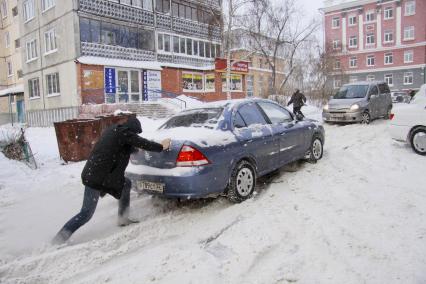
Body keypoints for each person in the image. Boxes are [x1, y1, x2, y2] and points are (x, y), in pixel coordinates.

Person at [52, 116, 171, 244]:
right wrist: (161, 147)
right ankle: (59, 239)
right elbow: (142, 142)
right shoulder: (124, 133)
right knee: (86, 214)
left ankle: (123, 217)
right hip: (97, 177)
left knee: (126, 183)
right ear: (133, 129)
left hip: (98, 174)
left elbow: (126, 147)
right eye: (135, 133)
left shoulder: (114, 131)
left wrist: (139, 148)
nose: (135, 135)